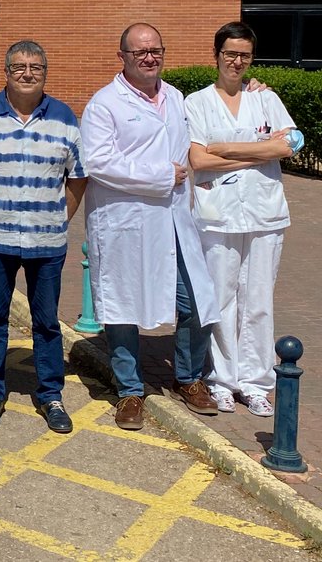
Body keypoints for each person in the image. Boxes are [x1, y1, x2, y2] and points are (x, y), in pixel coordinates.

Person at [82, 23, 221, 431]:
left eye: (155, 50)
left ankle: (188, 377)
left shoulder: (176, 98)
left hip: (174, 218)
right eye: (140, 51)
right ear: (122, 55)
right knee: (122, 305)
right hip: (126, 221)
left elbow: (211, 127)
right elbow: (98, 162)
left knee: (195, 300)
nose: (149, 57)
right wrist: (160, 175)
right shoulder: (104, 104)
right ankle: (129, 390)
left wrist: (250, 91)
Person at [0, 41, 86, 433]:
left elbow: (77, 177)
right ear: (6, 73)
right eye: (19, 67)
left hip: (47, 243)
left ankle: (51, 396)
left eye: (36, 67)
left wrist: (61, 218)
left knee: (47, 323)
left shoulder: (64, 118)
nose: (28, 74)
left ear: (45, 72)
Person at [186, 22, 300, 416]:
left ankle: (255, 382)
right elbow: (198, 159)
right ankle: (221, 379)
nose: (237, 62)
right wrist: (260, 150)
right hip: (217, 215)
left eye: (245, 55)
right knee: (221, 299)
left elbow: (290, 145)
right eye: (230, 54)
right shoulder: (196, 102)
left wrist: (227, 148)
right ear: (216, 55)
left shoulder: (265, 98)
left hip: (265, 213)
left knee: (259, 301)